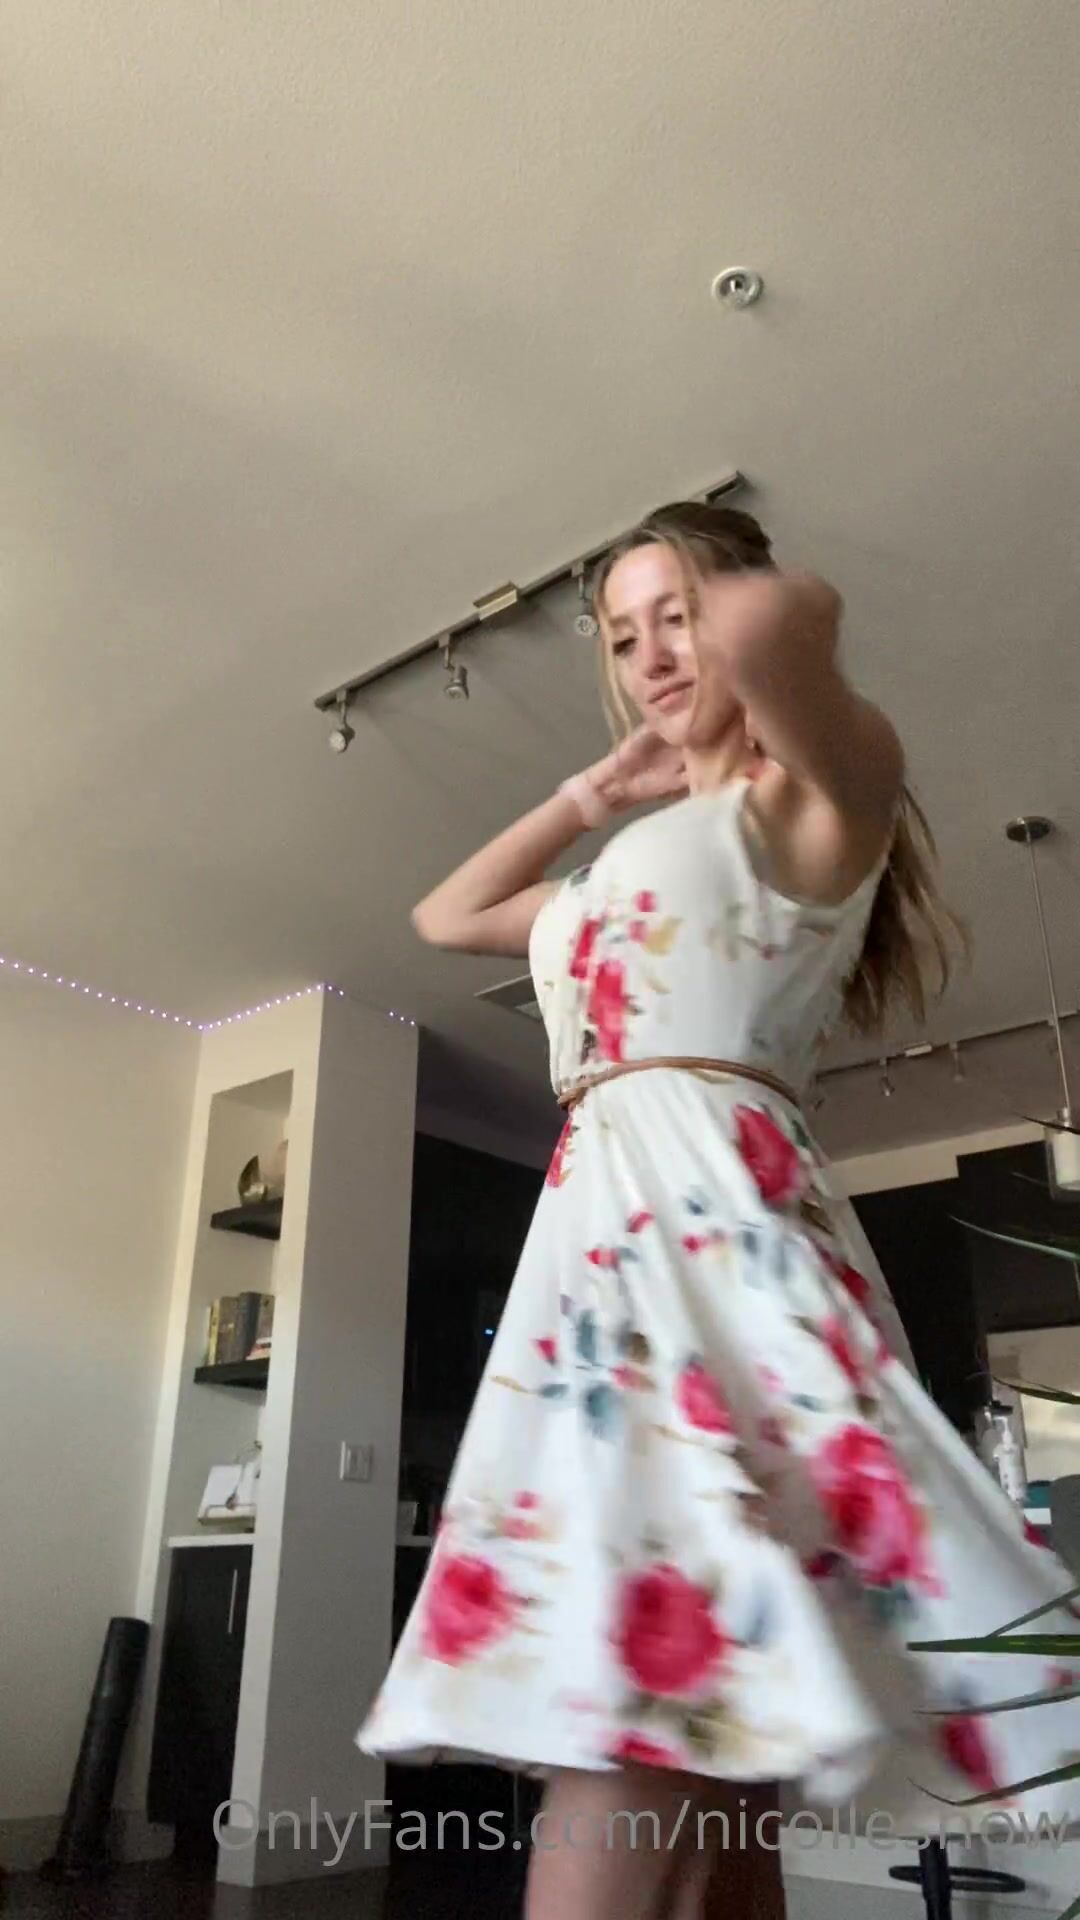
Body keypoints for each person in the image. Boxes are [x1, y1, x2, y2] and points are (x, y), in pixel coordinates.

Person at [357, 501, 1080, 1920]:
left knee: (660, 1685)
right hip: (600, 1255)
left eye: (671, 617)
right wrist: (594, 793)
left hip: (720, 1253)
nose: (648, 656)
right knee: (711, 1730)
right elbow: (445, 916)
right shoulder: (603, 870)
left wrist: (731, 618)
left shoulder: (815, 803)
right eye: (620, 639)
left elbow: (783, 626)